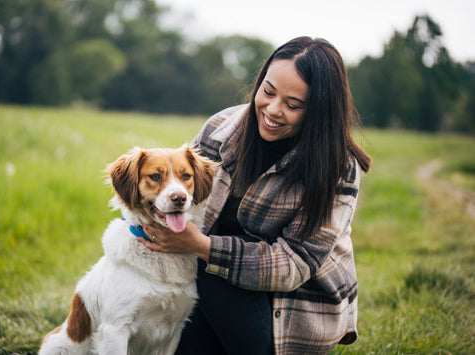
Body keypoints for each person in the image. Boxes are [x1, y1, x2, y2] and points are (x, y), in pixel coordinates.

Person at [140, 36, 371, 355]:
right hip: (212, 288)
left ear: (318, 111)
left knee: (216, 258)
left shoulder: (338, 167)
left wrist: (202, 246)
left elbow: (294, 265)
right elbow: (171, 197)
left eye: (292, 105)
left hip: (293, 306)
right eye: (268, 91)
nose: (273, 110)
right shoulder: (221, 128)